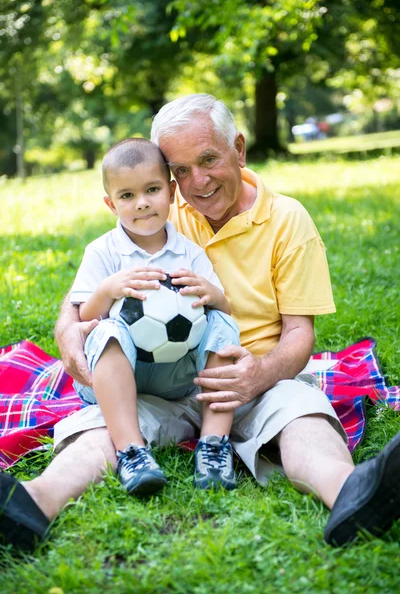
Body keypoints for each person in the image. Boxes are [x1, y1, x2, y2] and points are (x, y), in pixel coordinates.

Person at [1, 94, 400, 553]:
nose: (198, 182)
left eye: (208, 159)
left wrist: (259, 376)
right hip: (157, 381)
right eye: (181, 170)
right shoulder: (160, 214)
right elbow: (79, 306)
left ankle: (352, 494)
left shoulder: (287, 219)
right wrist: (70, 338)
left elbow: (298, 334)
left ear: (240, 150)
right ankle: (31, 503)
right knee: (103, 428)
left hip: (250, 376)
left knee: (301, 416)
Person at [69, 137, 240, 495]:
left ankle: (213, 446)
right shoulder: (103, 252)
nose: (142, 203)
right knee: (107, 330)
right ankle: (132, 451)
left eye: (152, 189)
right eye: (127, 196)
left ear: (172, 191)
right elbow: (84, 317)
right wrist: (108, 290)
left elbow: (223, 310)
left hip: (178, 377)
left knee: (222, 324)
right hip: (117, 374)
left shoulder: (188, 253)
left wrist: (215, 296)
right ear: (110, 204)